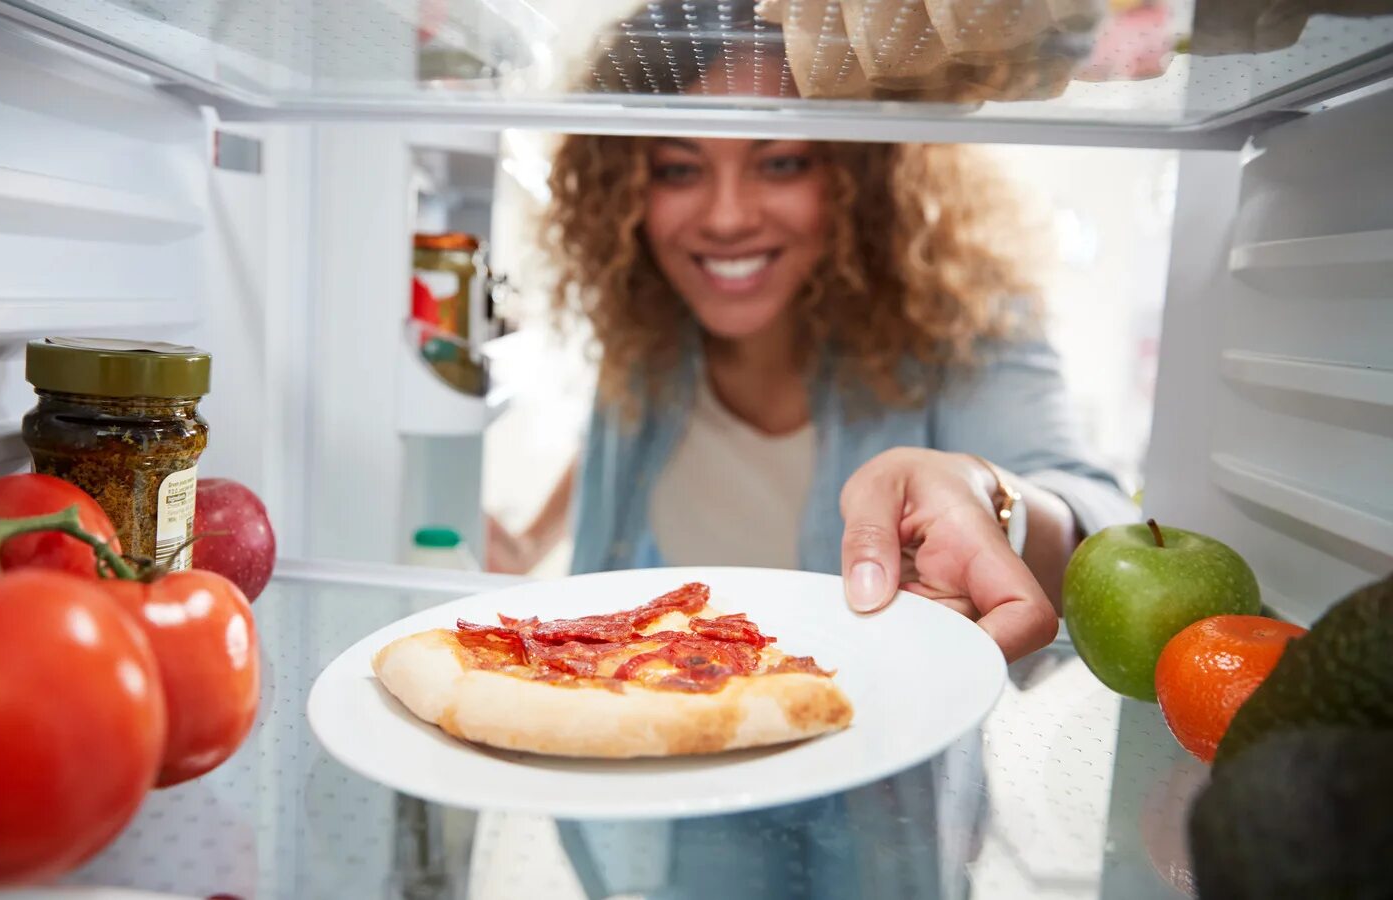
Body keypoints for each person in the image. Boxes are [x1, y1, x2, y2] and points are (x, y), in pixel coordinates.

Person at [486, 63, 1136, 667]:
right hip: (616, 773)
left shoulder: (964, 321)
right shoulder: (650, 318)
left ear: (865, 175)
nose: (728, 217)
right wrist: (529, 545)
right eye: (679, 170)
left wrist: (992, 500)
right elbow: (614, 446)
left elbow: (1105, 524)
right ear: (625, 191)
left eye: (783, 162)